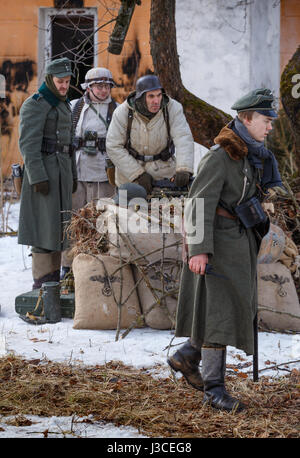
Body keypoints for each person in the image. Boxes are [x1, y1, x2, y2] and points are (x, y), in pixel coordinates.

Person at [168, 88, 286, 413]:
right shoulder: (220, 156)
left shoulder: (253, 155)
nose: (270, 126)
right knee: (218, 314)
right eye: (265, 120)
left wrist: (271, 196)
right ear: (246, 119)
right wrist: (199, 249)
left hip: (239, 242)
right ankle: (214, 390)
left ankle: (189, 355)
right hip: (217, 244)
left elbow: (269, 185)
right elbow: (197, 204)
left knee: (230, 309)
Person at [18, 57, 76, 289]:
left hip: (61, 173)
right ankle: (42, 286)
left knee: (59, 231)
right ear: (50, 79)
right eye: (60, 81)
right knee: (43, 230)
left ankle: (54, 284)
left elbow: (68, 144)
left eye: (67, 81)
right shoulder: (36, 104)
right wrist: (37, 177)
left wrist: (71, 174)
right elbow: (28, 145)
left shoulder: (63, 104)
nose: (64, 85)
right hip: (43, 175)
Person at [60, 67, 117, 278]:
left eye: (107, 86)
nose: (104, 90)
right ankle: (69, 267)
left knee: (103, 222)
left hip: (105, 175)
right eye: (99, 86)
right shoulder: (74, 107)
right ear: (89, 87)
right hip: (78, 173)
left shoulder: (117, 110)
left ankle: (102, 267)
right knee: (74, 222)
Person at [105, 74, 194, 195]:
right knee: (129, 213)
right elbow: (113, 146)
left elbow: (183, 138)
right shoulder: (123, 112)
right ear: (141, 97)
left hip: (164, 174)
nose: (156, 101)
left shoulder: (172, 108)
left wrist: (184, 168)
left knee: (167, 212)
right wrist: (137, 174)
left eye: (158, 95)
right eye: (151, 96)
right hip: (129, 176)